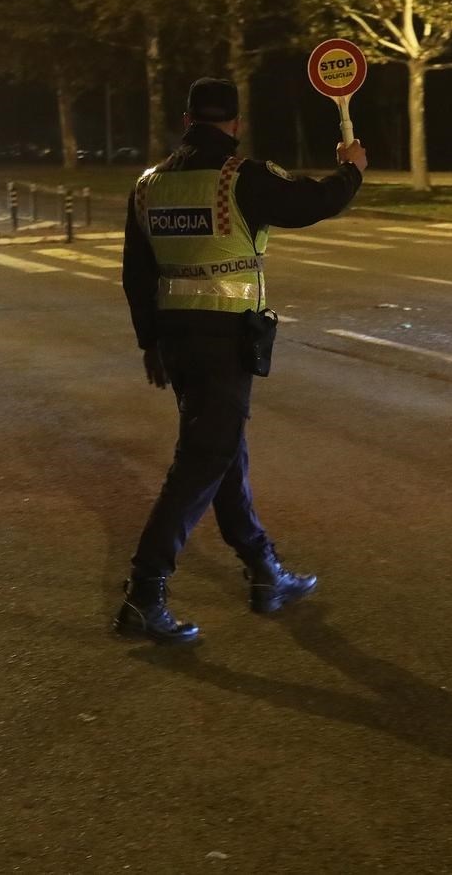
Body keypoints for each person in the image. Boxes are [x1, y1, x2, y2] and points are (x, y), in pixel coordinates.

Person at [116, 77, 367, 644]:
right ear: (235, 124)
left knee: (224, 452)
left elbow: (136, 273)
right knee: (205, 459)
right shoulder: (240, 177)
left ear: (186, 121)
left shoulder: (148, 185)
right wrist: (352, 169)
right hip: (225, 338)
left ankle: (262, 571)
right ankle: (144, 591)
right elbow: (314, 202)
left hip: (176, 341)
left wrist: (148, 344)